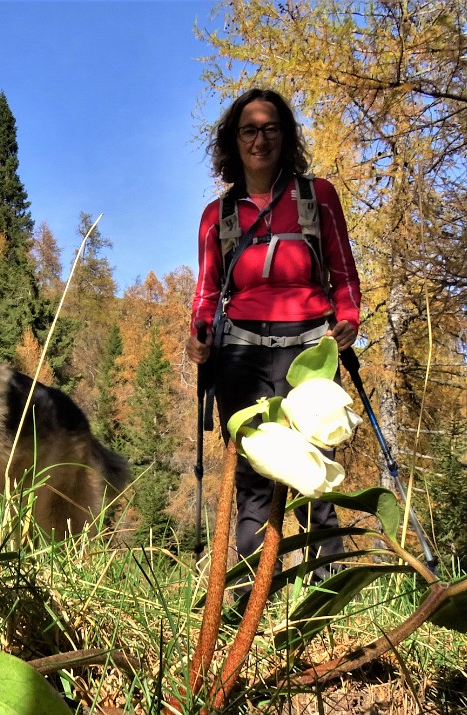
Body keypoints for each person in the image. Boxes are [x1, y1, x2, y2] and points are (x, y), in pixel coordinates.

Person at [185, 87, 362, 597]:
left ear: (284, 137)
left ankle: (329, 599)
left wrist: (347, 316)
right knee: (254, 479)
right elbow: (207, 293)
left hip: (309, 349)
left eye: (269, 129)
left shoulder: (317, 196)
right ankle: (245, 602)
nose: (259, 139)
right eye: (248, 130)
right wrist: (199, 335)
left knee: (315, 474)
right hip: (238, 352)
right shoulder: (215, 216)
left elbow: (343, 270)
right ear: (233, 141)